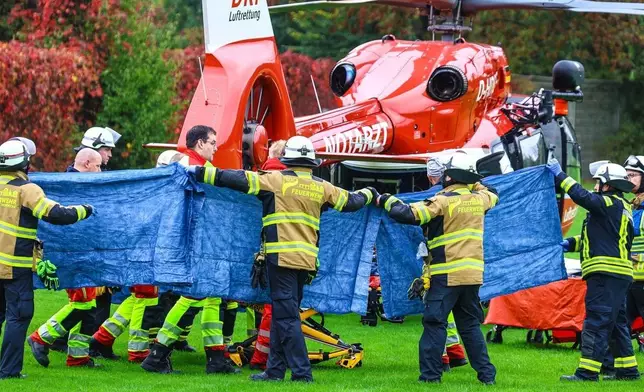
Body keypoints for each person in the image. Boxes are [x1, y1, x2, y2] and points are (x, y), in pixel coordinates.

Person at [188, 135, 375, 382]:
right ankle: (274, 371)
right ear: (311, 162)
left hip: (281, 260)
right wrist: (370, 192)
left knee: (286, 318)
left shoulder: (275, 180)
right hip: (306, 262)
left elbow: (236, 179)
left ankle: (301, 373)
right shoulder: (322, 186)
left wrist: (199, 173)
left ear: (288, 159)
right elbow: (351, 201)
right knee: (282, 314)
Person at [378, 152, 498, 385]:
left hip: (446, 275)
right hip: (472, 276)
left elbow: (408, 214)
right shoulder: (480, 199)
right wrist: (473, 179)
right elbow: (493, 192)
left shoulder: (442, 201)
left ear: (451, 176)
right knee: (470, 326)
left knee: (434, 324)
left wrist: (384, 199)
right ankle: (487, 377)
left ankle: (430, 377)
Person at [142, 126, 236, 375]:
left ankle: (214, 359)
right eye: (213, 142)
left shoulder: (191, 166)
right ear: (200, 143)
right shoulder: (191, 168)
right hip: (200, 245)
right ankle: (158, 356)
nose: (216, 147)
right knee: (194, 297)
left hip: (204, 243)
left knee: (211, 297)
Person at [0, 138, 93, 378]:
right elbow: (57, 215)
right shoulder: (26, 189)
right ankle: (9, 372)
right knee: (18, 316)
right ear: (24, 163)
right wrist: (85, 210)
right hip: (14, 266)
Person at [554, 157, 639, 382]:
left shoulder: (609, 202)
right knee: (617, 323)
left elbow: (583, 197)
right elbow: (600, 238)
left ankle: (587, 372)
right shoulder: (622, 208)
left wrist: (560, 176)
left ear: (608, 185)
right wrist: (570, 244)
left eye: (598, 182)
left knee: (597, 321)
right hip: (619, 275)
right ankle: (627, 370)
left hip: (605, 274)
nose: (595, 187)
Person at [426, 156, 469, 371]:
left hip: (441, 265)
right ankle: (455, 352)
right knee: (451, 314)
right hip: (465, 268)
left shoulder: (437, 199)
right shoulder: (472, 197)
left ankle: (441, 360)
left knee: (436, 315)